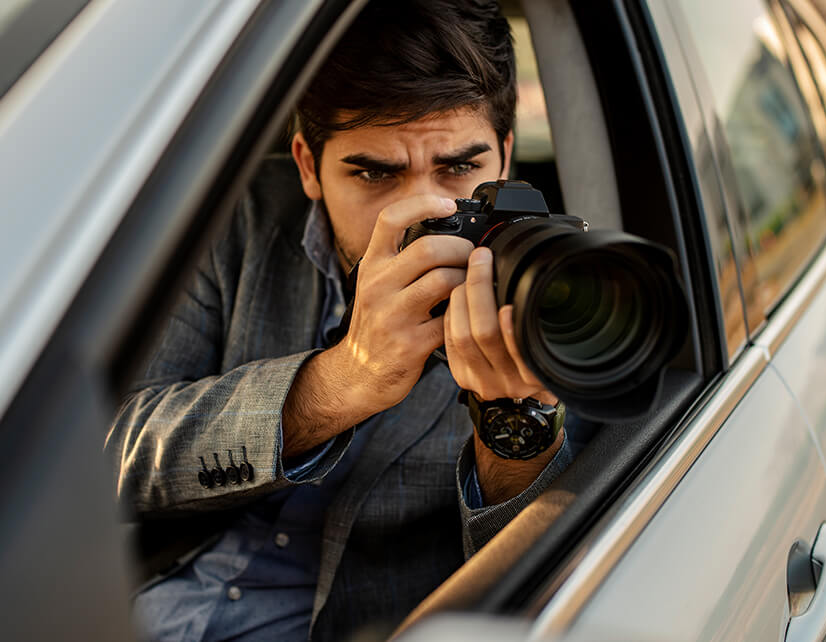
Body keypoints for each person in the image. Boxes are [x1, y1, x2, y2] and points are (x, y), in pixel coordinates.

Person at [107, 1, 584, 639]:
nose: (422, 209)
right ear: (307, 165)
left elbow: (538, 575)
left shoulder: (552, 280)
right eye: (374, 173)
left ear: (504, 153)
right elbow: (109, 456)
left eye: (460, 168)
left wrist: (512, 419)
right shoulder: (235, 219)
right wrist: (336, 383)